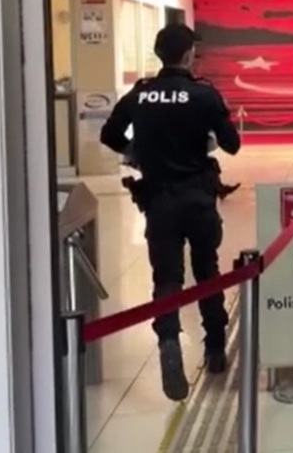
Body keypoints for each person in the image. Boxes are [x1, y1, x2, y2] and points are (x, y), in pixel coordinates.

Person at [99, 23, 241, 401]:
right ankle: (215, 348)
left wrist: (135, 152)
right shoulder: (203, 94)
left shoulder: (140, 94)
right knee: (207, 271)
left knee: (166, 277)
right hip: (197, 197)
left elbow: (109, 135)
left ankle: (168, 341)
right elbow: (232, 144)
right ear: (189, 54)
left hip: (159, 199)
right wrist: (207, 139)